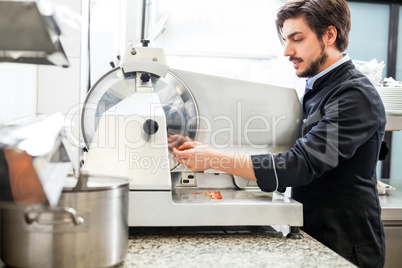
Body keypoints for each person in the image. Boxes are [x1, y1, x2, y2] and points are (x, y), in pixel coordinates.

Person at [171, 0, 386, 267]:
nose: (287, 51)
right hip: (315, 232)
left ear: (330, 35)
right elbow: (287, 153)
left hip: (345, 244)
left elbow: (299, 164)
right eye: (286, 40)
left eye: (297, 39)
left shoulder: (354, 95)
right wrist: (202, 149)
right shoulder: (319, 87)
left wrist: (213, 159)